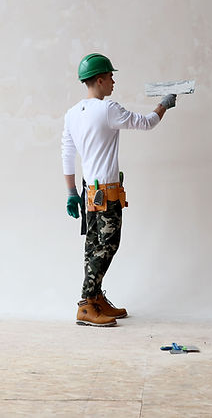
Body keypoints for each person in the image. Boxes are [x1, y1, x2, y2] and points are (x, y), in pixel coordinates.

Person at [61, 53, 176, 327]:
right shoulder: (108, 108)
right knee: (108, 245)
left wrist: (70, 192)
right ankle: (87, 304)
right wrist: (164, 104)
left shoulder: (72, 114)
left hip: (90, 191)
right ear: (99, 80)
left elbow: (67, 153)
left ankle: (96, 298)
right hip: (108, 192)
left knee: (93, 245)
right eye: (110, 76)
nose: (113, 81)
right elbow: (146, 122)